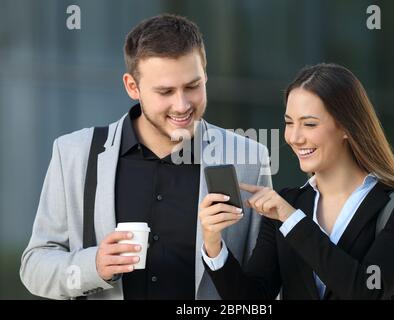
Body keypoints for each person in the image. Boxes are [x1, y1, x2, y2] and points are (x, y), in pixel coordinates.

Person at [20, 14, 271, 300]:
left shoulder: (247, 157)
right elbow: (34, 266)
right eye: (165, 91)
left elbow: (262, 286)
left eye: (193, 86)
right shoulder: (74, 154)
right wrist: (94, 266)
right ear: (132, 87)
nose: (182, 104)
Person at [199, 63, 394, 299]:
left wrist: (292, 219)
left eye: (309, 124)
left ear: (347, 127)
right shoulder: (287, 204)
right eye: (289, 122)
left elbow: (368, 289)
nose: (294, 137)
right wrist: (213, 242)